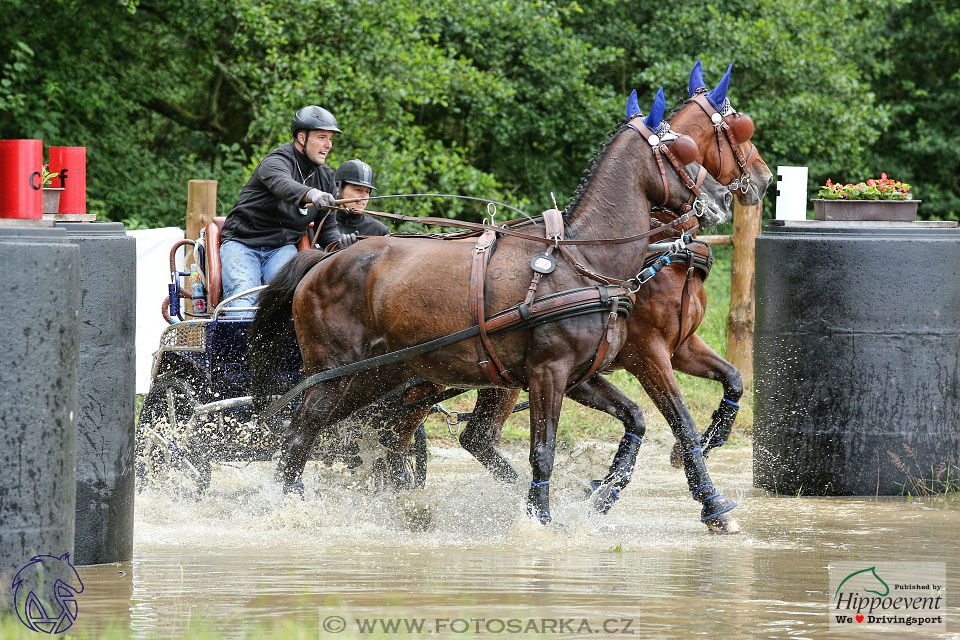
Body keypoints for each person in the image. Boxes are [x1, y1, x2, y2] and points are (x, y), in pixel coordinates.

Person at [219, 105, 355, 312]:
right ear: (302, 138)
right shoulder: (275, 161)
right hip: (242, 243)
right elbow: (283, 185)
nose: (328, 145)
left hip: (281, 248)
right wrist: (311, 194)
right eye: (322, 137)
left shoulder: (326, 177)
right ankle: (236, 344)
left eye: (331, 139)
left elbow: (327, 229)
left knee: (288, 304)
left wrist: (341, 245)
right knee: (243, 298)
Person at [322, 159, 389, 250]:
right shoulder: (321, 223)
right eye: (358, 190)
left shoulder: (380, 231)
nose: (364, 197)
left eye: (367, 192)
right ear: (338, 189)